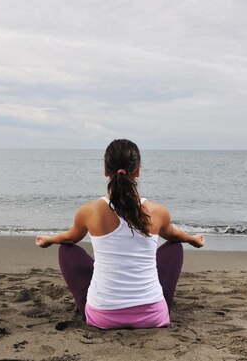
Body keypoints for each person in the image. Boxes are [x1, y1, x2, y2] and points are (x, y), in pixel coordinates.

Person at [35, 139, 205, 329]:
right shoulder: (157, 211)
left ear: (106, 171)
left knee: (66, 249)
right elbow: (173, 234)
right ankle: (151, 304)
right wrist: (192, 239)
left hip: (102, 318)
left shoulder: (90, 211)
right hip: (152, 316)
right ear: (138, 171)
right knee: (175, 245)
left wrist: (49, 240)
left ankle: (97, 305)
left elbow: (70, 238)